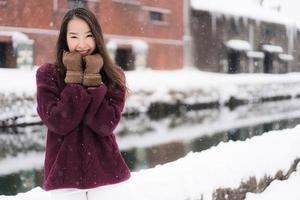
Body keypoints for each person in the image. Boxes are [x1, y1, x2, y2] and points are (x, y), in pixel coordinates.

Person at [36, 7, 131, 200]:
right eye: (74, 36)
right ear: (65, 39)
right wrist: (74, 79)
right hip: (63, 180)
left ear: (97, 36)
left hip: (108, 177)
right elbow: (58, 123)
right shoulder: (48, 74)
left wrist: (93, 79)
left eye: (88, 35)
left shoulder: (114, 75)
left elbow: (106, 125)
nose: (82, 44)